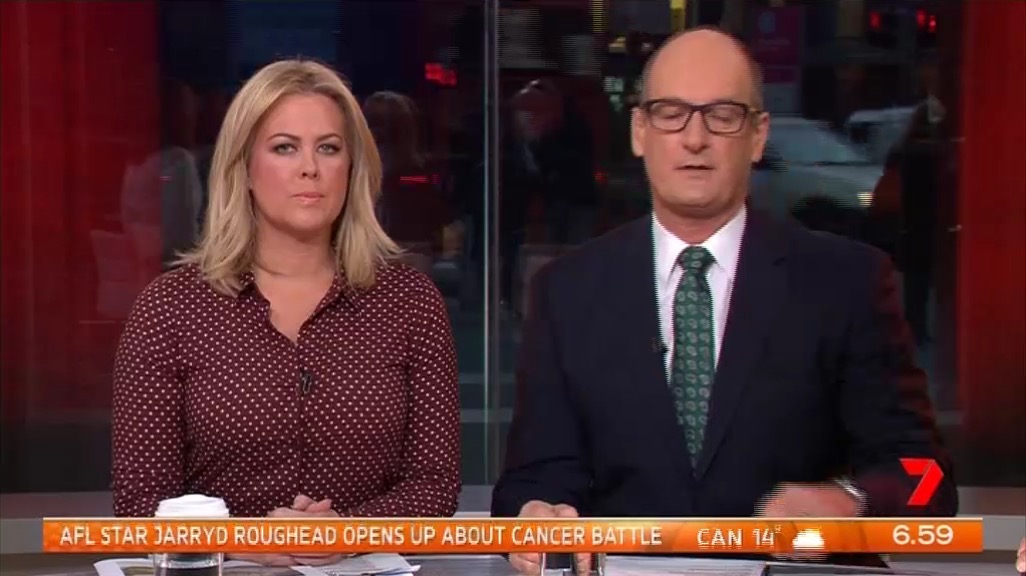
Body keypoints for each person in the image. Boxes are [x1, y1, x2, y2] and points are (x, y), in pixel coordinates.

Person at [491, 27, 957, 575]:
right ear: (639, 131)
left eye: (722, 115)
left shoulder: (846, 282)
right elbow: (529, 482)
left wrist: (852, 502)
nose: (695, 138)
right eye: (671, 114)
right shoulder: (567, 290)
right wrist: (537, 515)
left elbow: (928, 478)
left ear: (758, 136)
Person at [112, 60, 461, 566]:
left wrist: (347, 532)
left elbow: (434, 487)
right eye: (284, 147)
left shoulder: (409, 302)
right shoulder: (171, 307)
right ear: (244, 168)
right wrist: (250, 541)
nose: (309, 168)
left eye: (329, 148)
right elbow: (140, 503)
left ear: (352, 169)